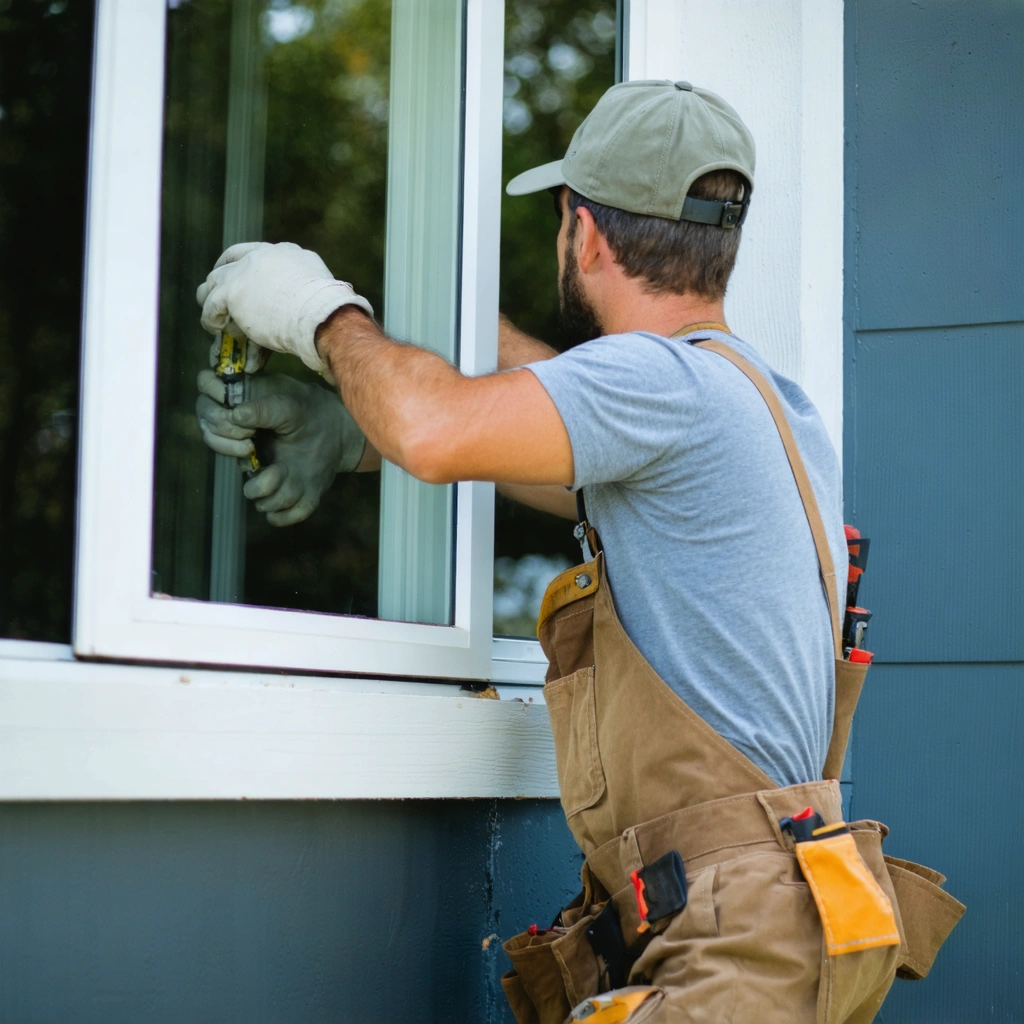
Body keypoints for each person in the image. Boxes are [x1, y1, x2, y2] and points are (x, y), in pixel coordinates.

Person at [195, 80, 961, 1023]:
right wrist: (350, 432)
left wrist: (320, 313)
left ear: (586, 233)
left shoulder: (660, 385)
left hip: (733, 949)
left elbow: (440, 428)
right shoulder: (760, 402)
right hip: (765, 930)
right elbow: (545, 435)